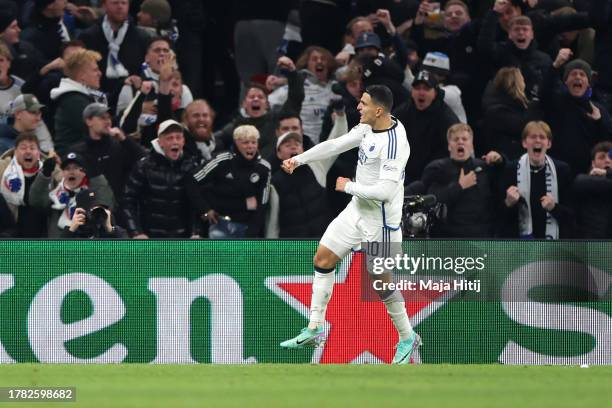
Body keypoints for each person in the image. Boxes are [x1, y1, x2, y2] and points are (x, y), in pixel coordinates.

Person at [279, 85, 420, 365]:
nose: (358, 107)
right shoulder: (369, 127)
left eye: (363, 103)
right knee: (322, 258)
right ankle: (315, 327)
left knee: (381, 284)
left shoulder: (394, 144)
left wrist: (349, 186)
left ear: (378, 110)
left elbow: (385, 192)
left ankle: (407, 337)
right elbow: (336, 144)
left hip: (381, 224)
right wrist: (300, 159)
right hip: (356, 211)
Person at [265, 113, 347, 238]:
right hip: (295, 250)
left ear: (303, 150)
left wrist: (341, 117)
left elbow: (335, 144)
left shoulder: (317, 166)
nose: (293, 147)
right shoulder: (273, 183)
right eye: (287, 145)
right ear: (279, 153)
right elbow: (272, 224)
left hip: (323, 243)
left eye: (297, 144)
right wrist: (272, 253)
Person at [188, 125, 271, 238]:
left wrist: (252, 231)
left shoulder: (264, 168)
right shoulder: (223, 160)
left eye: (253, 142)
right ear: (236, 143)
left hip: (248, 227)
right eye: (245, 142)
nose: (250, 146)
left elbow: (262, 204)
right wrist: (205, 209)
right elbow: (191, 180)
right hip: (220, 224)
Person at [422, 123, 503, 238]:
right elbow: (432, 200)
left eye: (464, 139)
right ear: (449, 145)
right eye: (456, 139)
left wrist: (501, 160)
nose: (460, 142)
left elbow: (498, 195)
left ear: (471, 145)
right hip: (449, 237)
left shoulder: (484, 168)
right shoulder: (438, 168)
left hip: (481, 235)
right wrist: (459, 186)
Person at [121, 119, 198, 238]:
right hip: (150, 238)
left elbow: (198, 204)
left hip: (182, 238)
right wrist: (136, 232)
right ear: (160, 142)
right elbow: (127, 201)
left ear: (183, 141)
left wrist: (196, 232)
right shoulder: (144, 167)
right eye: (170, 138)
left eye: (178, 137)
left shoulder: (191, 166)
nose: (175, 141)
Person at [500, 120, 573, 239]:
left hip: (553, 245)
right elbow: (499, 215)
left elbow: (572, 215)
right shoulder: (511, 169)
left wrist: (554, 208)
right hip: (520, 245)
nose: (537, 140)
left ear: (549, 144)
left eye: (542, 137)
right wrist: (508, 203)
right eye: (533, 137)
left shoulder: (562, 170)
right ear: (524, 143)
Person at [69, 102, 144, 204]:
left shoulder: (119, 145)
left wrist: (125, 140)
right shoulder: (78, 151)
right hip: (91, 208)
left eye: (108, 118)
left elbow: (143, 161)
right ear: (89, 121)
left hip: (119, 208)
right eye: (102, 118)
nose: (108, 122)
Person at [29, 150, 115, 237]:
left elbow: (107, 201)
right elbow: (35, 201)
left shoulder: (93, 192)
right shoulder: (55, 194)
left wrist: (95, 175)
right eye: (67, 168)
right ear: (62, 173)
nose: (71, 172)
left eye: (76, 168)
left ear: (84, 172)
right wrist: (45, 174)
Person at [50, 49, 107, 154]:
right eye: (95, 70)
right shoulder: (74, 100)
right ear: (82, 75)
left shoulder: (81, 97)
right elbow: (99, 130)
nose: (100, 73)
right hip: (73, 162)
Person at [571, 142, 612, 238]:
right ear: (593, 163)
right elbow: (581, 182)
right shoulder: (584, 181)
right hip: (592, 243)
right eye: (602, 157)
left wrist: (607, 173)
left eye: (611, 157)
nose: (607, 161)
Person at [62, 189, 127, 238]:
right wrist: (71, 230)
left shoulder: (116, 231)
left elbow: (129, 253)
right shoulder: (74, 232)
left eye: (100, 209)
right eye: (91, 209)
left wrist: (111, 230)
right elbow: (58, 254)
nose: (96, 212)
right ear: (80, 212)